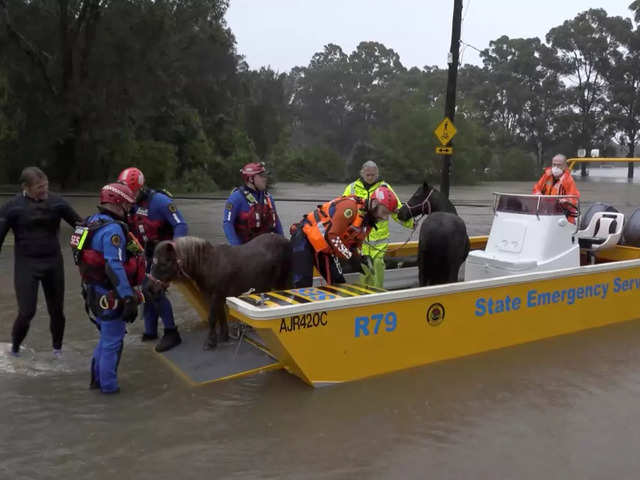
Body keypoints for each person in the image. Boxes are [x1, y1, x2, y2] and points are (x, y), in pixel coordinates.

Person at [0, 166, 82, 357]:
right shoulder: (12, 207)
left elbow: (81, 227)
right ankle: (14, 349)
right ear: (25, 187)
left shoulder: (57, 203)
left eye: (45, 186)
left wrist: (81, 251)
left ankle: (57, 350)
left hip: (53, 262)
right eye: (39, 187)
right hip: (26, 264)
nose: (44, 190)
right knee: (27, 312)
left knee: (57, 311)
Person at [71, 182, 145, 394]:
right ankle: (109, 389)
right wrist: (128, 297)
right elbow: (114, 265)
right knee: (113, 342)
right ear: (119, 203)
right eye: (128, 205)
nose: (130, 210)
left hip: (92, 291)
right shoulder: (113, 230)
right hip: (109, 293)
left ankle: (96, 382)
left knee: (105, 339)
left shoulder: (91, 222)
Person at [118, 167, 188, 352]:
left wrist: (173, 249)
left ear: (140, 188)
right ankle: (150, 332)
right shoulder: (128, 205)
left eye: (131, 192)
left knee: (154, 290)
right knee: (145, 292)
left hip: (164, 255)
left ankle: (172, 332)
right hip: (144, 253)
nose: (128, 196)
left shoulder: (160, 201)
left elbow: (181, 225)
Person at [290, 185, 399, 288]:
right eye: (384, 212)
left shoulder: (367, 221)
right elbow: (332, 235)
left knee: (339, 284)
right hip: (305, 239)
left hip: (325, 247)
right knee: (302, 285)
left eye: (387, 214)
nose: (385, 218)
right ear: (375, 204)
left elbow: (354, 244)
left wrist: (359, 258)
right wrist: (350, 257)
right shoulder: (350, 208)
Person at [343, 161, 413, 287]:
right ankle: (365, 295)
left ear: (378, 174)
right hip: (360, 238)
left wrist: (411, 224)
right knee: (364, 268)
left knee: (378, 263)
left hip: (379, 237)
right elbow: (343, 211)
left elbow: (395, 209)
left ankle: (378, 292)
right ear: (362, 173)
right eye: (368, 175)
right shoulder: (351, 188)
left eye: (373, 175)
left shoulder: (385, 188)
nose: (370, 177)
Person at [223, 162, 283, 245]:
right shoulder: (235, 198)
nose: (265, 179)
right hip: (245, 249)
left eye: (265, 176)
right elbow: (227, 224)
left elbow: (276, 223)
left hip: (266, 249)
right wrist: (237, 248)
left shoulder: (268, 198)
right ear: (251, 179)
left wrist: (283, 243)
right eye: (261, 176)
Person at [532, 154, 581, 223]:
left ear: (564, 166)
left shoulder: (568, 180)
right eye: (554, 164)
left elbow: (573, 198)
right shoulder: (546, 176)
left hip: (563, 215)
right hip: (546, 212)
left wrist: (566, 201)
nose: (556, 167)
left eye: (559, 165)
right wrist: (538, 194)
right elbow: (536, 188)